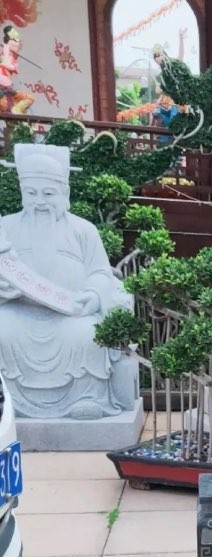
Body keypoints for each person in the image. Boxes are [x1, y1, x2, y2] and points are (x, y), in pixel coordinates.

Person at [0, 145, 136, 421]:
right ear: (22, 192)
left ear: (65, 192)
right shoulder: (5, 228)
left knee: (88, 333)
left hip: (72, 312)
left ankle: (88, 397)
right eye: (32, 193)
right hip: (17, 309)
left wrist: (94, 295)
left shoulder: (83, 230)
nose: (40, 202)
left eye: (48, 194)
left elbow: (101, 273)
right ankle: (9, 401)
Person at [0, 26, 32, 114]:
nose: (16, 44)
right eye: (14, 42)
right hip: (2, 88)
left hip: (8, 89)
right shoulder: (5, 54)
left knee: (29, 98)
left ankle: (16, 110)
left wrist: (7, 65)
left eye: (17, 43)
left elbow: (12, 67)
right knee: (4, 105)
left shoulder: (13, 60)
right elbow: (6, 55)